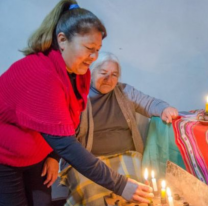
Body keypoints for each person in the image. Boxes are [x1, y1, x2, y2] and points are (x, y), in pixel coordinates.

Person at [0, 1, 154, 206]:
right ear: (62, 40)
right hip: (6, 157)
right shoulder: (41, 74)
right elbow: (66, 143)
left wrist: (52, 156)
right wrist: (121, 185)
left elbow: (62, 123)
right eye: (89, 48)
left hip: (36, 155)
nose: (93, 57)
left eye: (98, 50)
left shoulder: (77, 73)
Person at [59, 51, 178, 206]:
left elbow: (149, 103)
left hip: (126, 157)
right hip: (90, 162)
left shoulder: (125, 91)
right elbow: (62, 134)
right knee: (94, 198)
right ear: (91, 73)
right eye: (103, 73)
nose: (109, 79)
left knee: (139, 196)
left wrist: (164, 109)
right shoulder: (78, 96)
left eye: (114, 75)